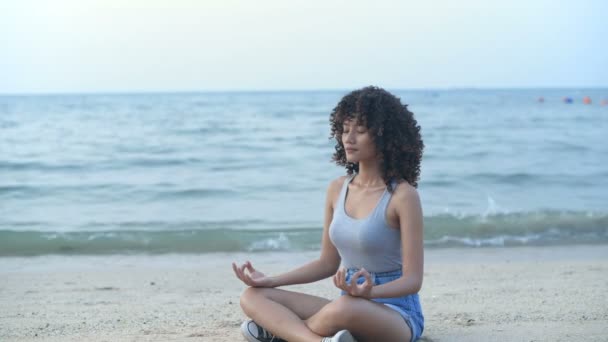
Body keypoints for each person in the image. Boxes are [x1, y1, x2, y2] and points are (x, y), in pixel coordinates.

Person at [232, 86, 425, 342]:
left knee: (344, 308)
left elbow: (413, 280)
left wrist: (369, 293)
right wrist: (270, 281)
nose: (349, 138)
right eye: (345, 130)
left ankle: (280, 332)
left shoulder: (403, 195)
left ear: (384, 136)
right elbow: (326, 263)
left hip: (396, 314)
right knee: (253, 296)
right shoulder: (337, 189)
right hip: (348, 306)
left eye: (360, 130)